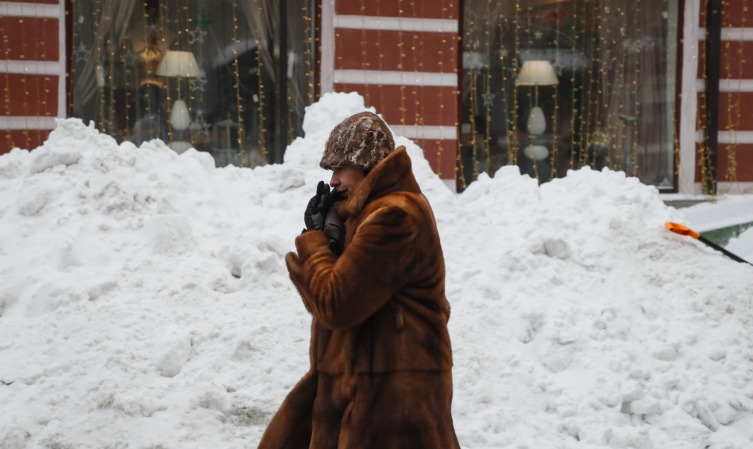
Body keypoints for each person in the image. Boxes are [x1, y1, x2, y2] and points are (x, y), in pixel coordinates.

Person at [258, 111, 460, 449]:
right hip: (361, 391)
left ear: (365, 165)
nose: (333, 180)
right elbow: (328, 307)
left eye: (339, 168)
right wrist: (331, 239)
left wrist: (316, 241)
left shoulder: (395, 216)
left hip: (394, 401)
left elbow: (337, 305)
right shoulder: (365, 216)